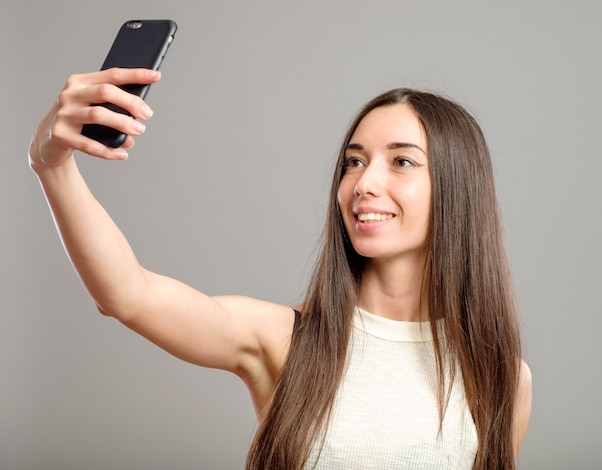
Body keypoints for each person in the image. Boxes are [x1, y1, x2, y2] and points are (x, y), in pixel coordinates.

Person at [29, 68, 532, 469]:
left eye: (401, 162)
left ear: (458, 190)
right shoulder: (286, 339)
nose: (363, 183)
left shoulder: (502, 377)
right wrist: (52, 164)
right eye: (353, 162)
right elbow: (127, 294)